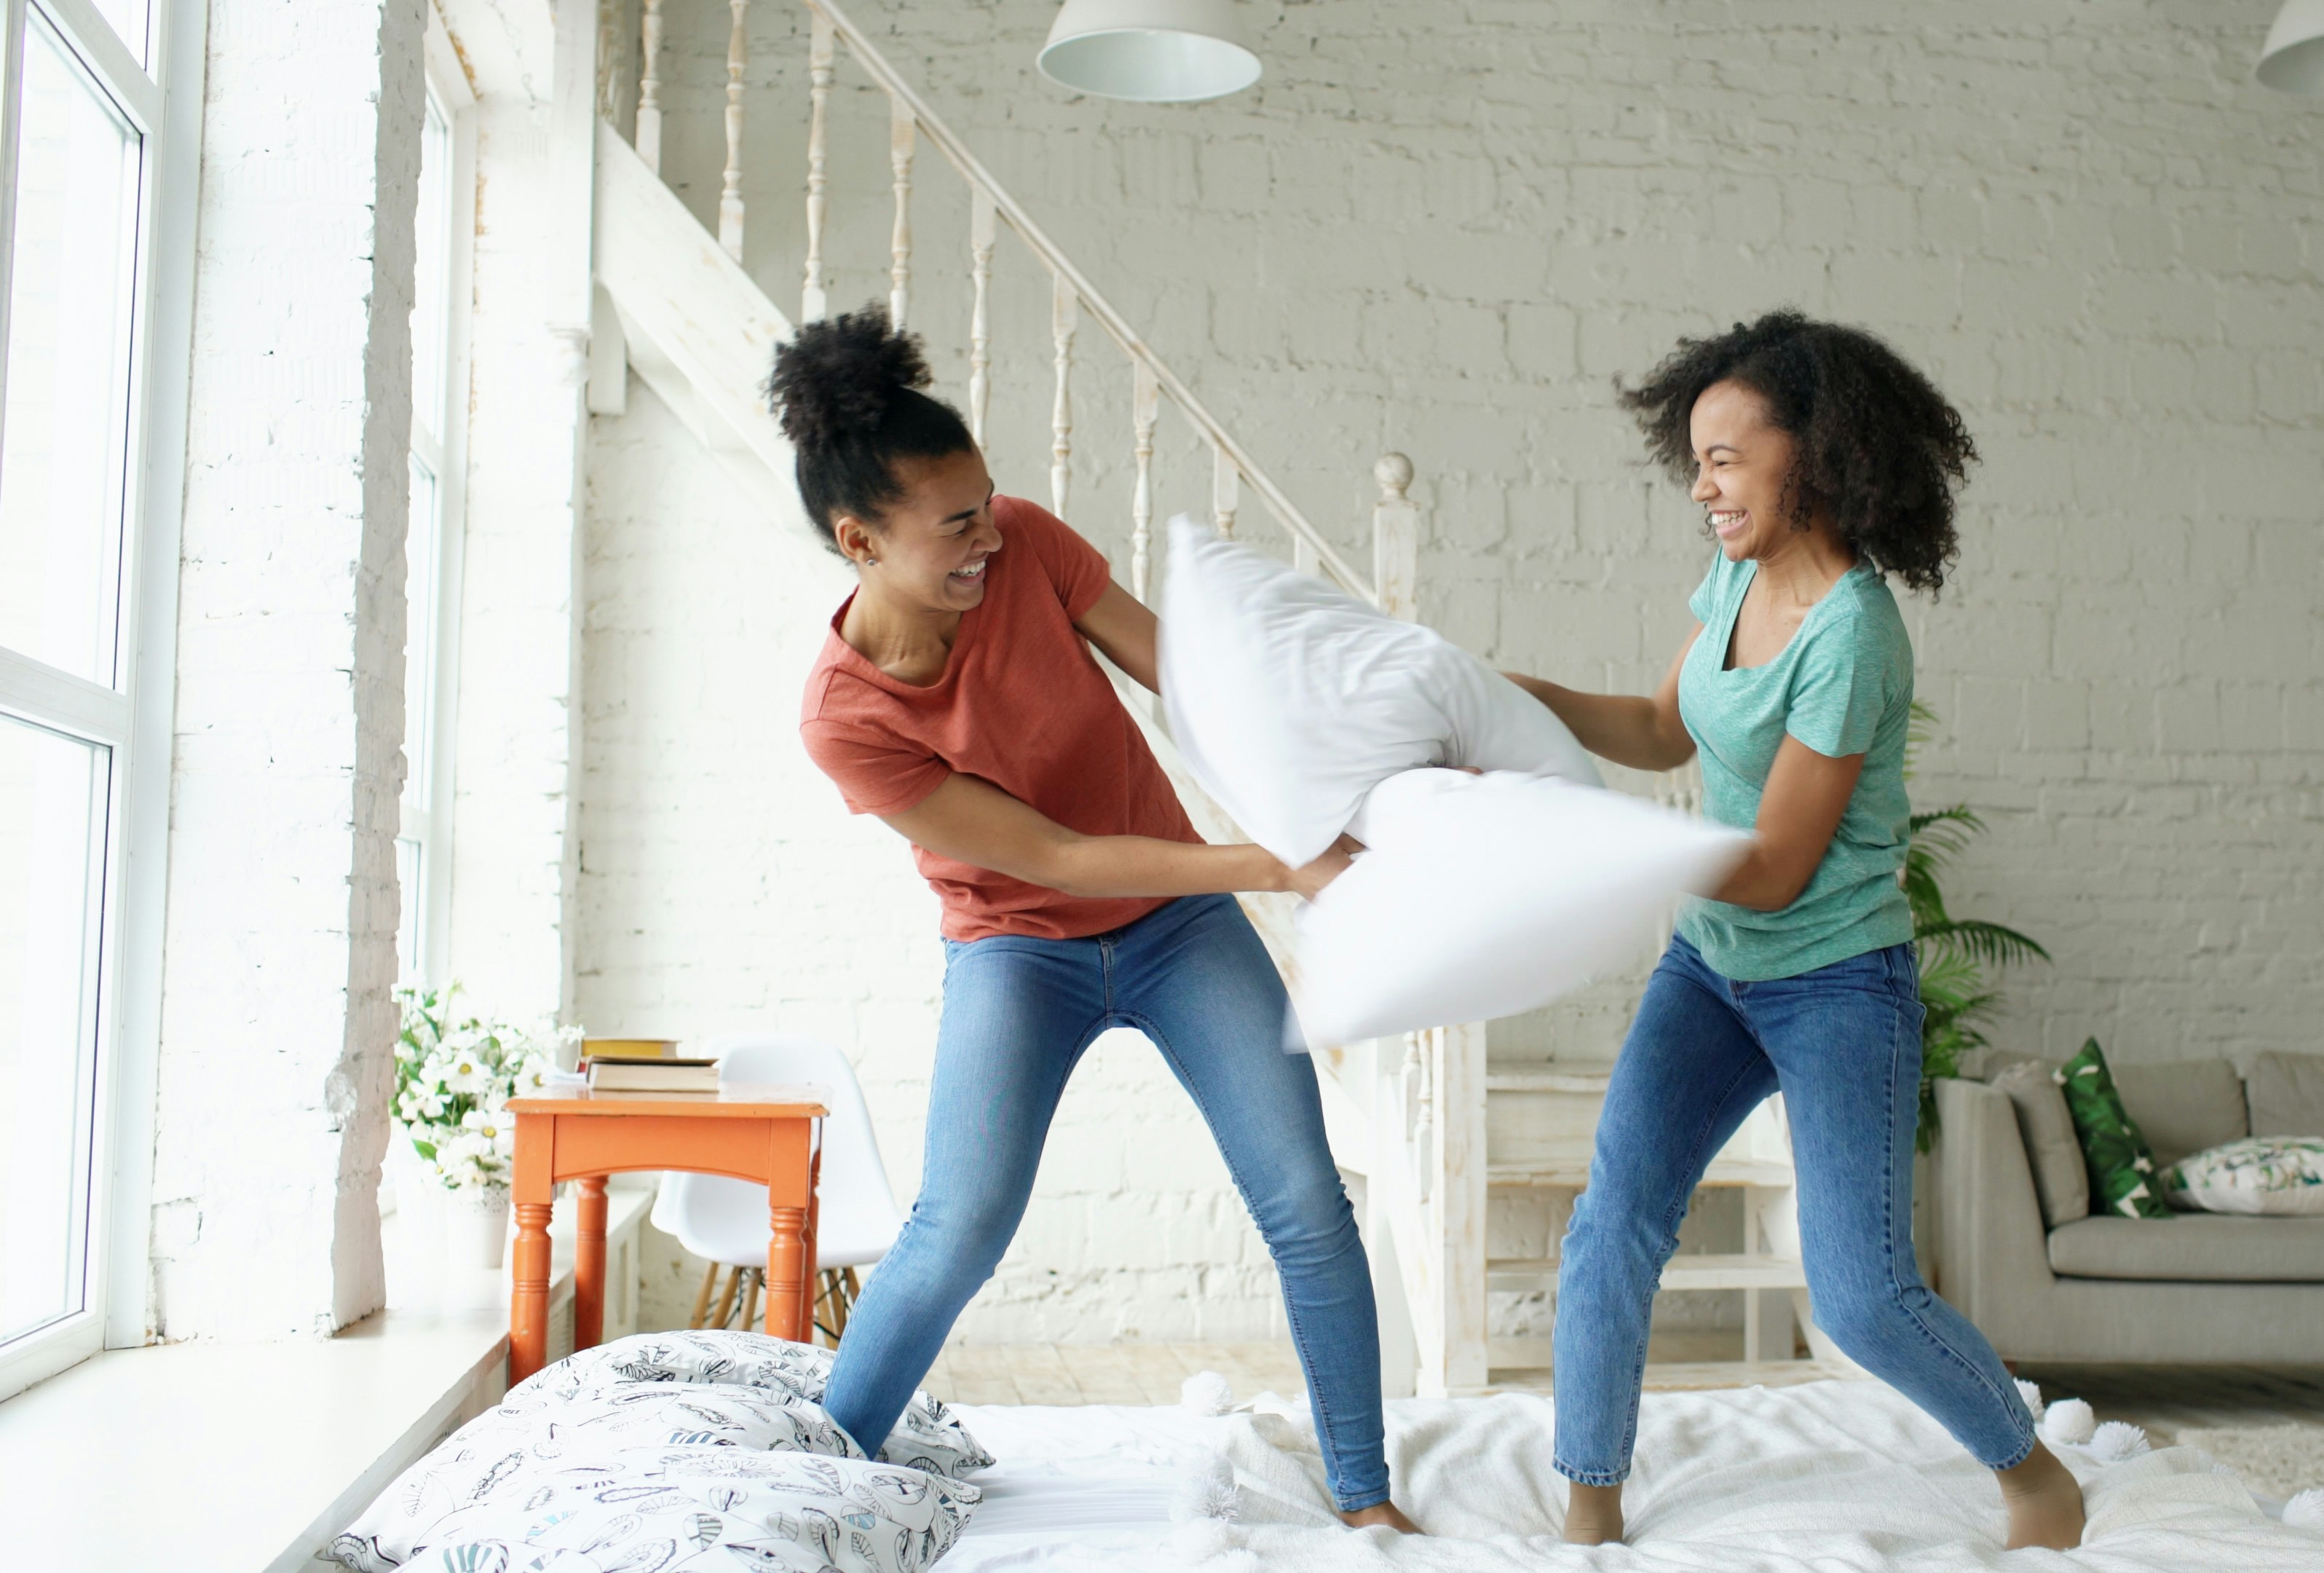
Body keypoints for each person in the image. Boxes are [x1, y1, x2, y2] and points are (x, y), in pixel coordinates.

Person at [772, 305, 1414, 1531]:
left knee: (1304, 1201)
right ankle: (817, 1488)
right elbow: (1056, 858)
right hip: (1018, 947)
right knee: (959, 1225)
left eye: (988, 504)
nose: (986, 538)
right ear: (860, 539)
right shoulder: (846, 718)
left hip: (1179, 932)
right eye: (954, 524)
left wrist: (1353, 756)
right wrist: (1284, 865)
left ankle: (1367, 1495)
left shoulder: (1026, 546)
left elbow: (1189, 679)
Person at [1506, 311, 2085, 1550]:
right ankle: (1590, 1504)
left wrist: (1608, 857)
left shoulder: (1854, 633)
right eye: (1697, 459)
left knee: (1864, 1297)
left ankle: (2032, 1470)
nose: (1704, 485)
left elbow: (1773, 870)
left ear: (1813, 453)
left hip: (1836, 985)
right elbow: (1666, 730)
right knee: (1615, 1223)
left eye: (1727, 456)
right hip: (1711, 972)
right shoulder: (1734, 577)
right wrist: (1518, 699)